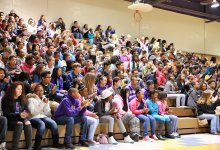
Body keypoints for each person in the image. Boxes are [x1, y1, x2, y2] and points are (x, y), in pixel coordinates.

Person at [27, 84, 62, 150]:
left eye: (42, 91)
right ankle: (37, 145)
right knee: (41, 124)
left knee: (53, 123)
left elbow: (47, 113)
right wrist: (42, 104)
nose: (40, 92)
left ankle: (55, 143)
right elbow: (33, 112)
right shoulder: (30, 99)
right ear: (34, 92)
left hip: (43, 116)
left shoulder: (44, 98)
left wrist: (46, 104)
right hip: (33, 117)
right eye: (38, 91)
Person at [2, 82, 32, 150]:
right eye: (18, 89)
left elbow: (27, 110)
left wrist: (26, 115)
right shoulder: (6, 99)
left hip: (20, 119)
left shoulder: (23, 99)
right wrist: (19, 115)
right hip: (10, 121)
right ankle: (14, 147)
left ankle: (29, 147)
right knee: (20, 124)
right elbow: (6, 114)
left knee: (28, 123)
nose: (20, 91)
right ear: (13, 90)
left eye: (21, 89)